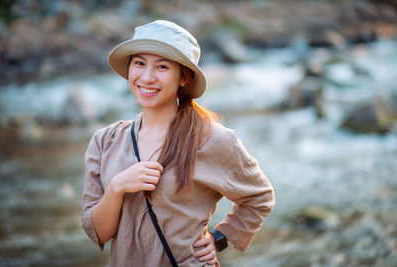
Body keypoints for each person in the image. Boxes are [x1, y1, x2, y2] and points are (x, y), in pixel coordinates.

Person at [82, 20, 275, 267]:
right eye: (139, 63)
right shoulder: (104, 141)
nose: (147, 77)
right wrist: (117, 188)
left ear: (183, 77)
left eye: (162, 67)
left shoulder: (211, 139)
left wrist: (220, 237)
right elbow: (98, 233)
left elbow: (259, 197)